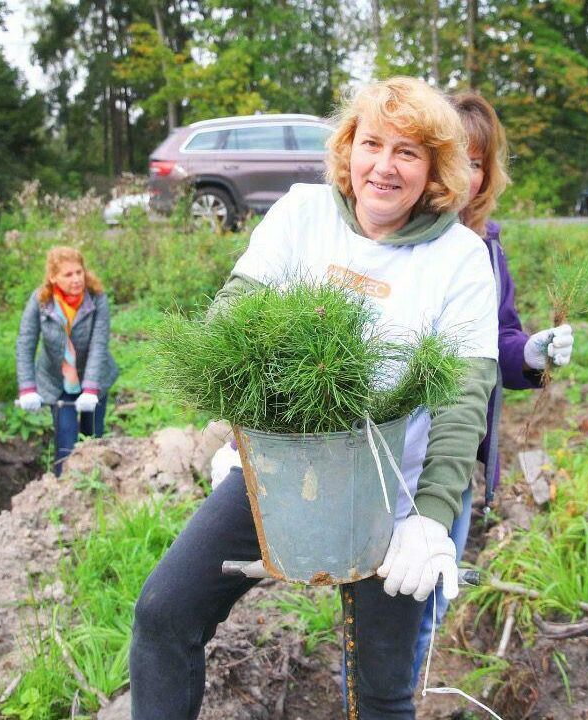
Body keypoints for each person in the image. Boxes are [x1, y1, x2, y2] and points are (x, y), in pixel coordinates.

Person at [130, 77, 498, 720]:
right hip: (277, 471)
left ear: (436, 169)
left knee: (380, 691)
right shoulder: (301, 214)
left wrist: (434, 517)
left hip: (393, 495)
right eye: (372, 144)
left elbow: (464, 396)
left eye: (408, 152)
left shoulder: (460, 257)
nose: (384, 166)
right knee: (163, 614)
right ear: (347, 149)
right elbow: (236, 313)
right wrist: (238, 431)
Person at [407, 91, 574, 680]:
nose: (465, 174)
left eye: (477, 162)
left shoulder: (488, 248)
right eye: (453, 155)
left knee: (433, 593)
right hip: (391, 453)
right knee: (384, 605)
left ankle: (407, 692)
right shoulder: (397, 240)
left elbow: (497, 341)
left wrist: (528, 354)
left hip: (455, 459)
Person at [15, 246, 118, 476]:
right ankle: (64, 488)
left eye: (79, 272)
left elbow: (98, 344)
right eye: (68, 274)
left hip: (94, 376)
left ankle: (95, 488)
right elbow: (25, 342)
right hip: (56, 379)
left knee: (92, 439)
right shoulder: (41, 302)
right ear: (53, 277)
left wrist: (91, 389)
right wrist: (27, 388)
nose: (76, 279)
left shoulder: (96, 298)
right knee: (66, 443)